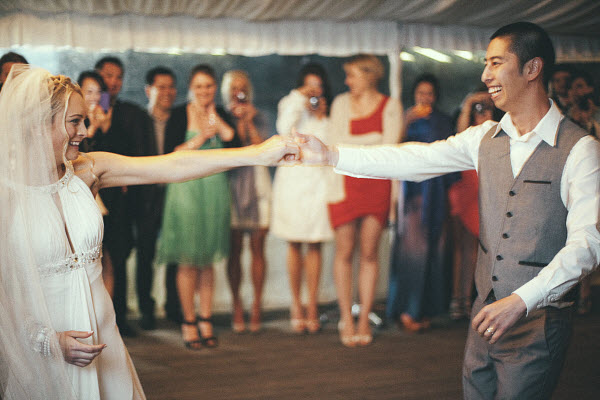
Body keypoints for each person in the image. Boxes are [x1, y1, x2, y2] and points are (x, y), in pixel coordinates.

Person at [298, 21, 599, 399]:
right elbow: (412, 158)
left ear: (532, 68)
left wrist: (523, 299)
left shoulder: (581, 148)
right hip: (482, 319)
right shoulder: (482, 137)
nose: (484, 74)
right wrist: (330, 154)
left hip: (538, 326)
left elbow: (587, 244)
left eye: (495, 63)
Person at [0, 65, 297, 399]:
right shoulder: (6, 194)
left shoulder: (88, 169)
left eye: (85, 120)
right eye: (75, 121)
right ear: (40, 123)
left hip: (103, 338)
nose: (85, 130)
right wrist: (48, 342)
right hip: (45, 346)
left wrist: (257, 154)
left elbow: (173, 165)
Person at [156, 64, 239, 349]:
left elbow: (235, 144)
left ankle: (206, 318)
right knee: (188, 260)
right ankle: (188, 320)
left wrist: (217, 121)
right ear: (192, 87)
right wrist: (202, 137)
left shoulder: (222, 113)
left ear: (215, 88)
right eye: (200, 86)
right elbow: (170, 153)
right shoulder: (179, 114)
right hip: (186, 189)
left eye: (209, 86)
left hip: (214, 189)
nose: (204, 91)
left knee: (207, 260)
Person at [327, 54, 403, 346]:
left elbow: (390, 148)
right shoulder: (340, 104)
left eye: (352, 75)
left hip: (376, 185)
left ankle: (363, 319)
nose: (347, 81)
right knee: (344, 252)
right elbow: (335, 144)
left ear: (370, 75)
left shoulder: (390, 105)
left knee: (369, 253)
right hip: (342, 185)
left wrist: (356, 144)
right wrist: (372, 139)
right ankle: (346, 318)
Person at [386, 73, 456, 333]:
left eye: (429, 93)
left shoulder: (443, 121)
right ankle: (405, 309)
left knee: (434, 253)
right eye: (420, 93)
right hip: (413, 190)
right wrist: (405, 121)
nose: (424, 98)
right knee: (411, 252)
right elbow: (393, 149)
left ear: (435, 96)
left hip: (436, 191)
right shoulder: (407, 119)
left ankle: (424, 308)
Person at [271, 63, 334, 334]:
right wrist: (298, 99)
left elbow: (332, 146)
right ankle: (296, 304)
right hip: (294, 183)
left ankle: (312, 305)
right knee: (294, 244)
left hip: (319, 184)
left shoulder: (328, 114)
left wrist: (322, 115)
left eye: (318, 86)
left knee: (316, 244)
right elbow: (283, 128)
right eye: (308, 86)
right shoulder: (290, 105)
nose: (313, 92)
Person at [95, 56, 153, 337]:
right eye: (108, 75)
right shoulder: (86, 111)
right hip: (92, 195)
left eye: (118, 77)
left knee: (118, 255)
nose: (113, 82)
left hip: (120, 199)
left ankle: (119, 316)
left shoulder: (130, 113)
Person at [128, 66, 179, 330]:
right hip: (145, 196)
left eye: (172, 86)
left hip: (175, 196)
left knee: (174, 253)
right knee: (145, 254)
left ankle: (174, 306)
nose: (168, 92)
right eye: (162, 86)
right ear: (149, 90)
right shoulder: (138, 119)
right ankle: (146, 310)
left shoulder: (179, 120)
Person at [221, 70, 272, 333]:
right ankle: (236, 303)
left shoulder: (259, 115)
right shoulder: (221, 116)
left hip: (257, 183)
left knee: (258, 247)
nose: (238, 92)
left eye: (242, 87)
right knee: (234, 250)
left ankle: (257, 305)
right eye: (233, 88)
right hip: (231, 184)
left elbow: (263, 149)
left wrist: (249, 121)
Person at [448, 87, 496, 320]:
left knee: (479, 252)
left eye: (488, 108)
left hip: (487, 194)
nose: (484, 113)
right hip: (466, 193)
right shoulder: (467, 134)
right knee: (463, 250)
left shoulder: (500, 131)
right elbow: (459, 132)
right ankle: (459, 299)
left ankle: (471, 298)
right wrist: (469, 103)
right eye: (480, 108)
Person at [565, 69, 599, 315]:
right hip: (573, 182)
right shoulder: (566, 116)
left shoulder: (597, 114)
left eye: (580, 86)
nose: (576, 92)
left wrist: (591, 122)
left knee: (592, 233)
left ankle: (588, 293)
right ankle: (577, 292)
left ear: (589, 88)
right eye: (572, 87)